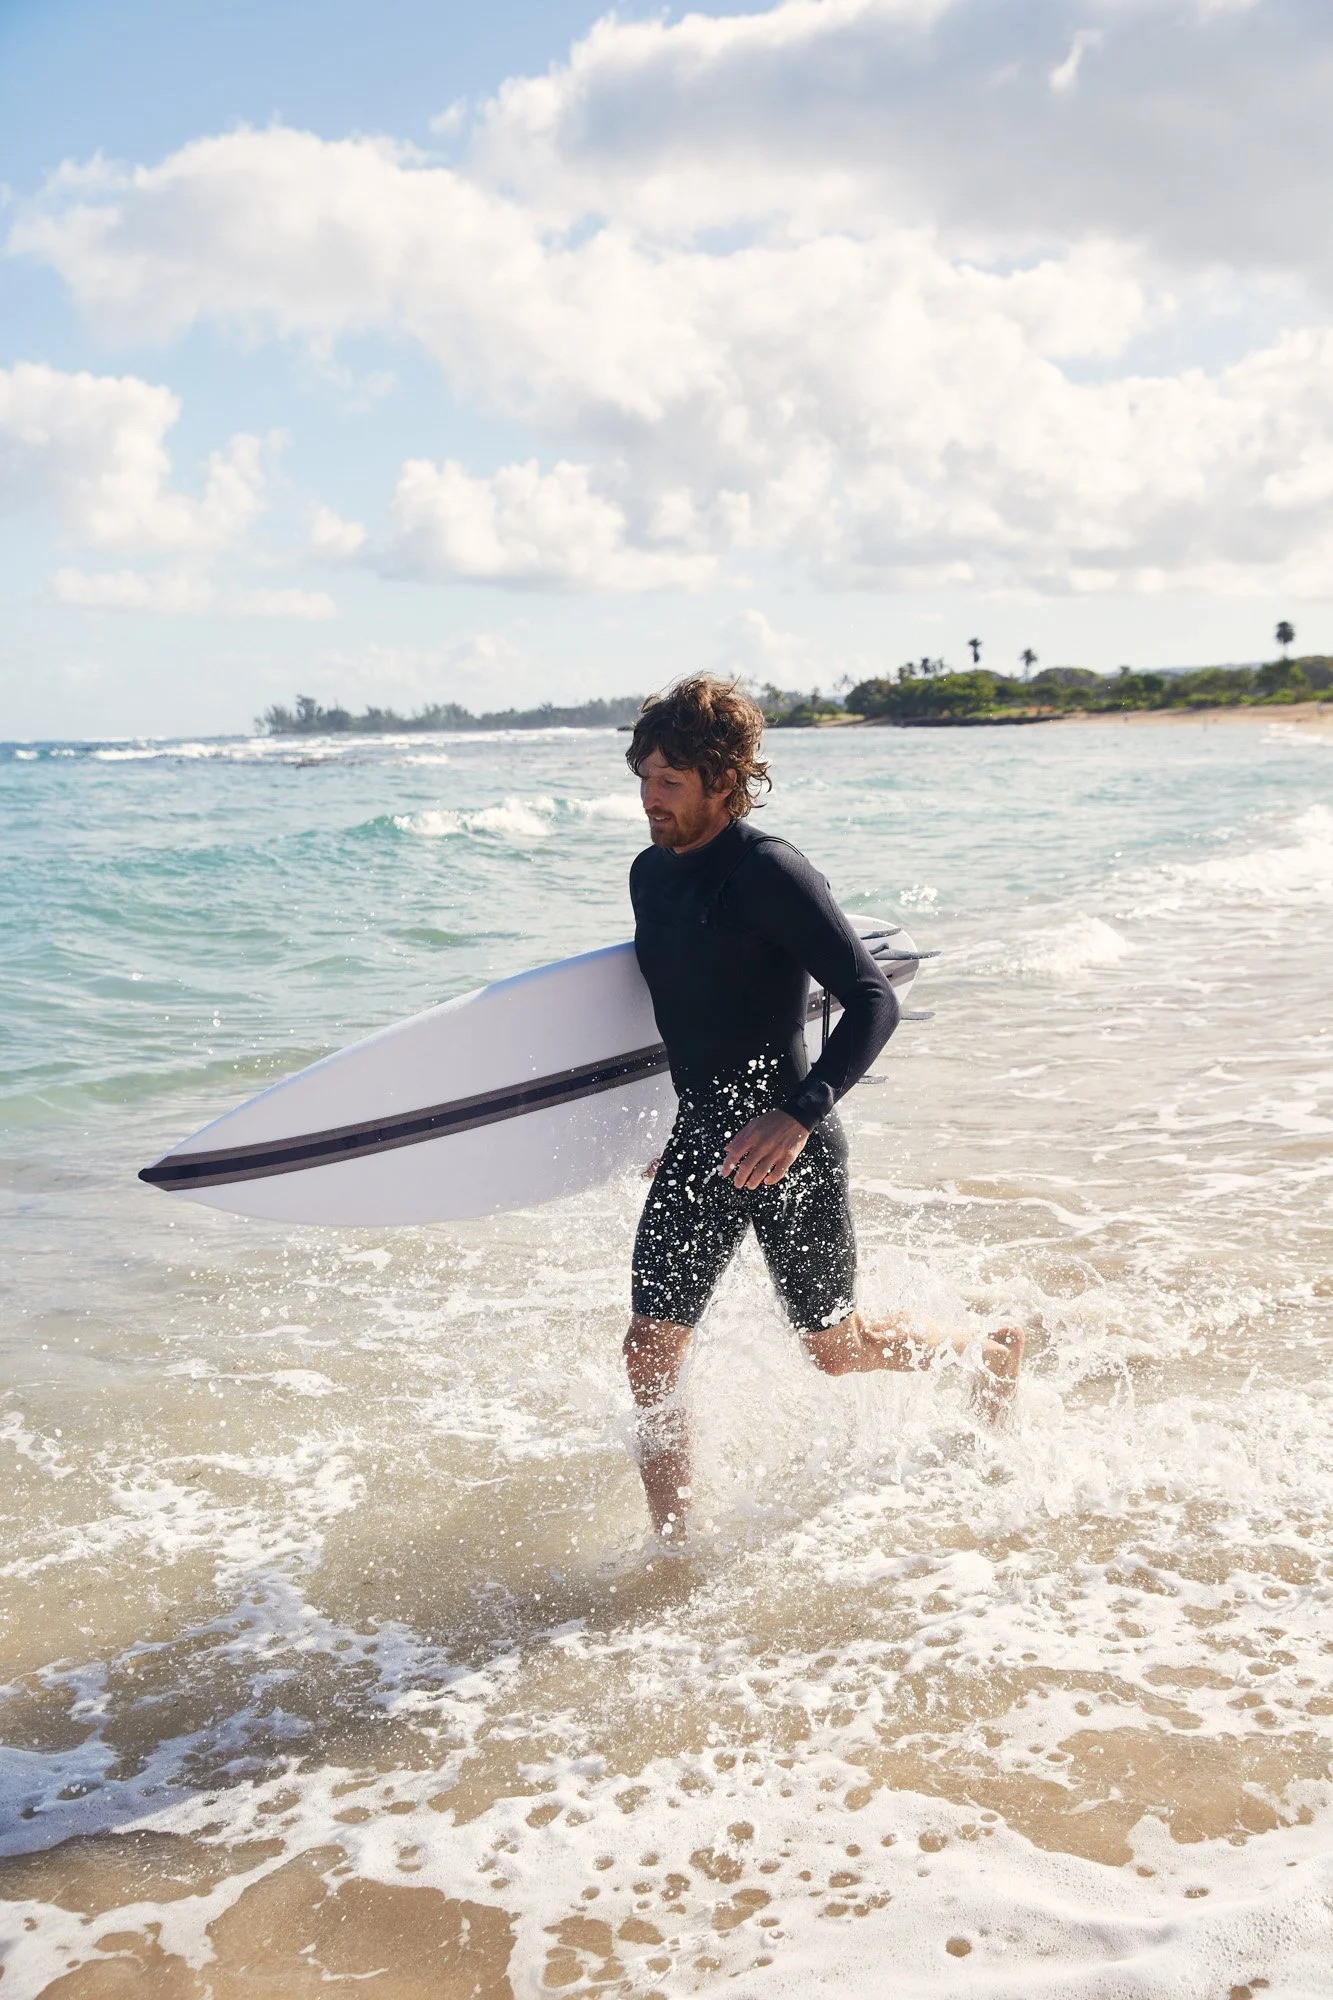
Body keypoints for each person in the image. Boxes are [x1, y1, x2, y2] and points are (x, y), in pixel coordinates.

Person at [623, 675, 1023, 1543]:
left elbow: (870, 997)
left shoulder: (769, 871)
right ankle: (674, 1544)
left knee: (832, 1350)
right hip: (702, 1137)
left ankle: (988, 1350)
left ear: (724, 781)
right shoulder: (648, 877)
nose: (649, 799)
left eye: (669, 782)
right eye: (643, 778)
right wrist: (677, 1122)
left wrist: (798, 1115)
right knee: (648, 1350)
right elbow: (690, 1009)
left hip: (785, 1138)